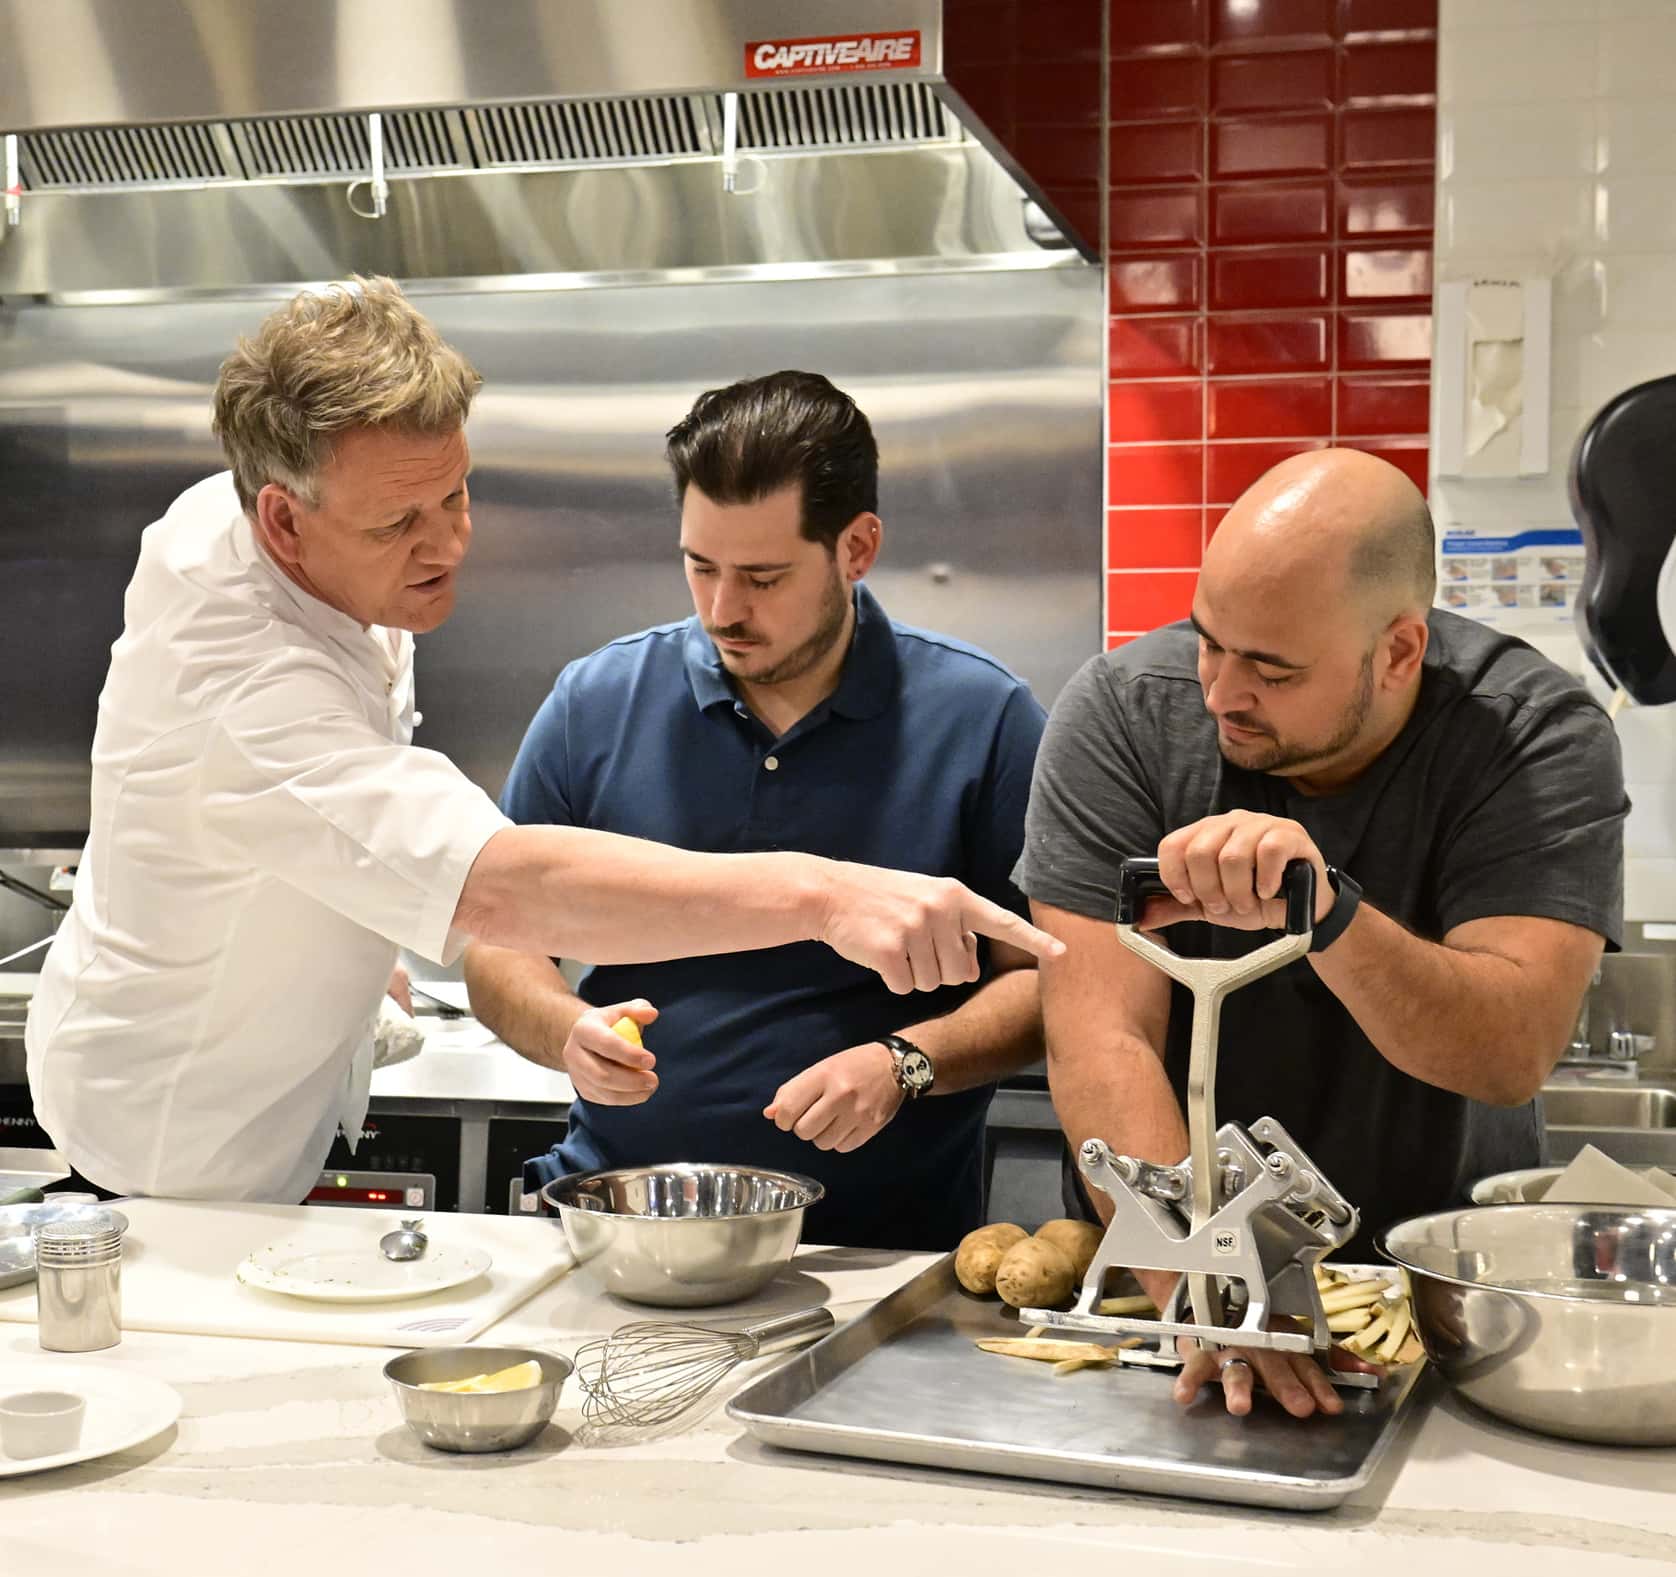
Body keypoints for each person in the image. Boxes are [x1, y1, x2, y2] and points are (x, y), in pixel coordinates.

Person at [24, 283, 1060, 1205]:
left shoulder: (314, 546)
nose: (448, 543)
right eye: (398, 524)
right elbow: (498, 897)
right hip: (168, 1168)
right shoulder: (242, 678)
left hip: (890, 1223)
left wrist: (345, 934)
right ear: (284, 522)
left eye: (455, 494)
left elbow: (1056, 976)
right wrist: (826, 895)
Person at [1016, 447, 1626, 1419]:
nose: (1220, 692)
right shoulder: (1124, 715)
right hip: (1174, 1295)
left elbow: (1507, 1050)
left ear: (1398, 653)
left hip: (1426, 1296)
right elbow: (1100, 1037)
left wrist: (1329, 914)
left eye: (1272, 668)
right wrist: (1211, 1292)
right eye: (1208, 640)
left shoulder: (1530, 733)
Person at [464, 371, 1048, 1249]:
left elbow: (1047, 979)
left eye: (763, 578)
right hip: (622, 1232)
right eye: (700, 566)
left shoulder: (983, 718)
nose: (722, 609)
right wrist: (566, 1031)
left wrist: (907, 1063)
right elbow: (497, 944)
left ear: (857, 547)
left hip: (881, 1254)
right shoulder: (595, 703)